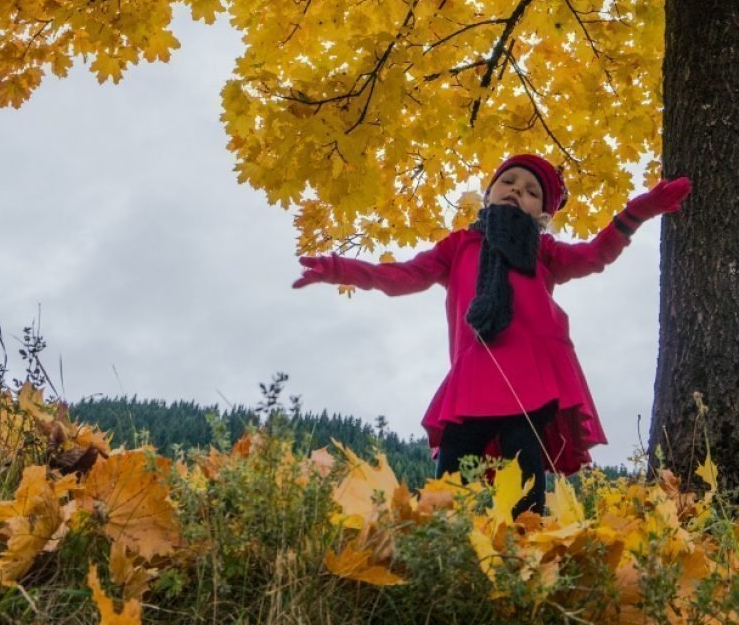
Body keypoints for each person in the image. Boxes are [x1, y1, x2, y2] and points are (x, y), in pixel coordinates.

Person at [293, 155, 691, 516]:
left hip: (531, 378)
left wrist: (638, 211)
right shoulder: (459, 246)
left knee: (523, 469)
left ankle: (528, 551)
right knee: (450, 471)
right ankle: (440, 547)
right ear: (488, 193)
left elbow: (594, 255)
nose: (518, 190)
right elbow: (402, 276)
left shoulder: (544, 251)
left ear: (543, 214)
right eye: (509, 182)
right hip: (474, 376)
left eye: (532, 191)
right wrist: (338, 269)